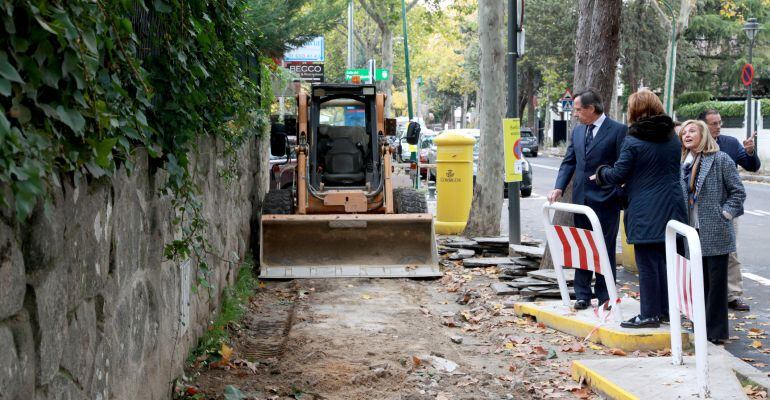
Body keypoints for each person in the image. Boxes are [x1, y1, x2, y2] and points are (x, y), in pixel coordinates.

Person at [592, 89, 687, 328]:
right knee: (665, 261)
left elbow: (618, 173)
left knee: (647, 263)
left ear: (635, 111)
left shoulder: (634, 140)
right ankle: (665, 311)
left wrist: (602, 173)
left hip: (646, 208)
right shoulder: (672, 137)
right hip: (673, 205)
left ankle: (648, 315)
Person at [548, 88, 627, 310]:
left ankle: (605, 295)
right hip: (581, 200)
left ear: (591, 109)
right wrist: (558, 188)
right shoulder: (578, 131)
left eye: (578, 109)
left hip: (606, 200)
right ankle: (582, 294)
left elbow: (624, 166)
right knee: (582, 246)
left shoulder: (618, 130)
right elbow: (569, 162)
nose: (575, 114)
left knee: (604, 247)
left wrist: (617, 193)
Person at [679, 119, 746, 343]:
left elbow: (738, 192)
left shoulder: (720, 159)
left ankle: (716, 333)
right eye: (684, 132)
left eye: (692, 131)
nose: (686, 135)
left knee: (716, 285)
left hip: (715, 229)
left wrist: (724, 214)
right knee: (697, 281)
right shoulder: (683, 163)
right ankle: (699, 325)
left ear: (703, 135)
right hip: (692, 230)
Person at [698, 109, 760, 312]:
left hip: (725, 209)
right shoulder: (694, 144)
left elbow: (751, 166)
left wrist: (750, 152)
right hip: (698, 210)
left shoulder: (730, 144)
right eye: (713, 123)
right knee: (697, 253)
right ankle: (700, 293)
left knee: (730, 252)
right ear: (703, 126)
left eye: (719, 122)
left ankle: (733, 295)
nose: (718, 126)